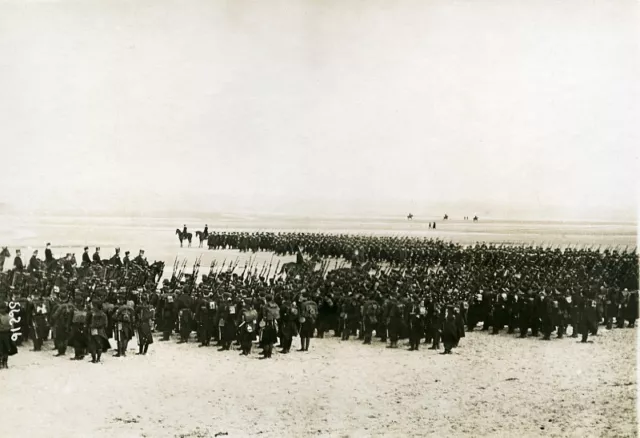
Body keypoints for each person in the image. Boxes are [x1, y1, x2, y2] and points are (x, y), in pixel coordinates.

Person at [0, 302, 18, 369]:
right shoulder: (10, 317)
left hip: (1, 334)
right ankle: (5, 363)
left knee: (1, 349)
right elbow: (12, 327)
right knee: (6, 349)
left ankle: (1, 363)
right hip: (7, 335)